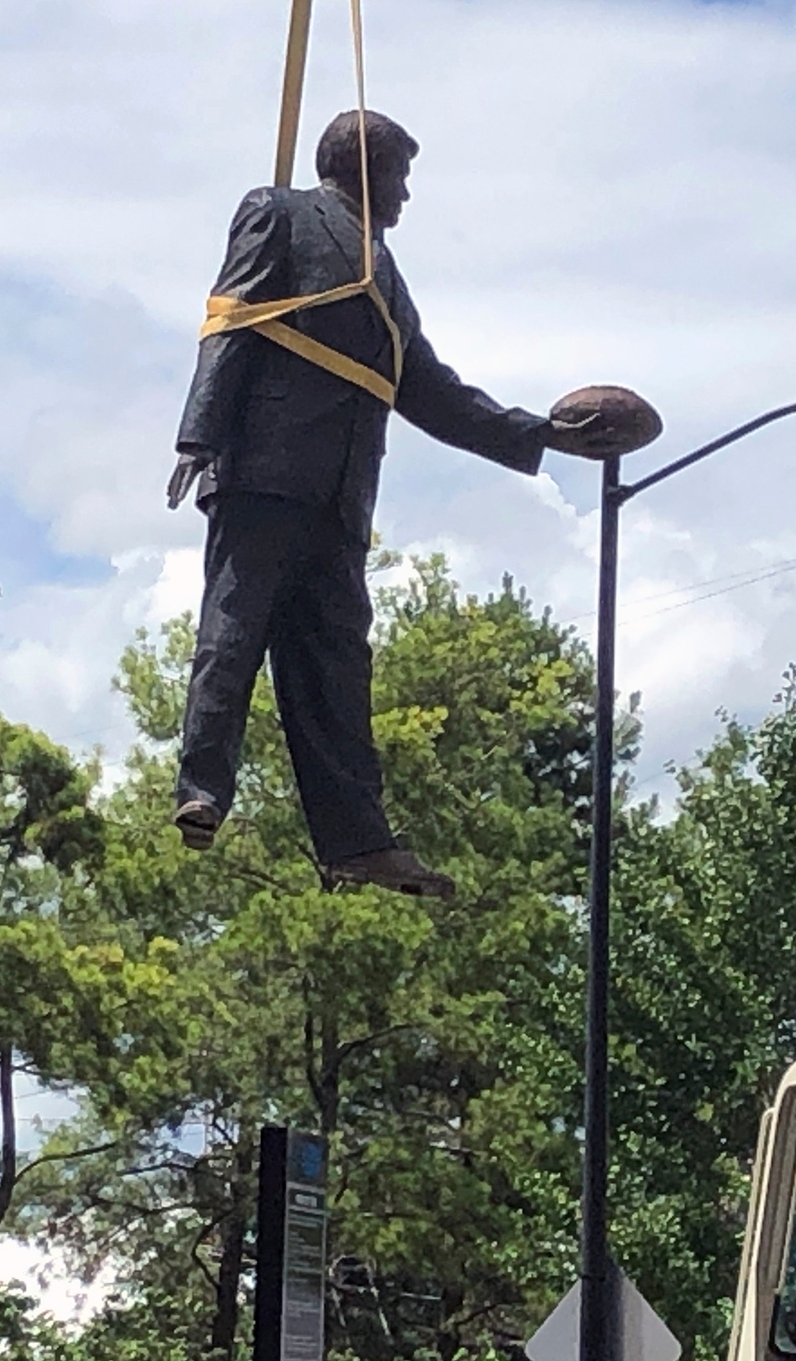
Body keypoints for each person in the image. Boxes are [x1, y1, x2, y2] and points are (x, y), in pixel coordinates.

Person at [171, 109, 594, 899]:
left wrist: (542, 436)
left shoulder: (386, 274)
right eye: (399, 175)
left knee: (338, 673)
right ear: (363, 167)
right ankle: (202, 788)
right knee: (233, 632)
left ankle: (357, 841)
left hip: (339, 499)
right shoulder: (281, 213)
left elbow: (429, 391)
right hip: (265, 469)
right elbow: (230, 321)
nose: (405, 195)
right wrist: (198, 437)